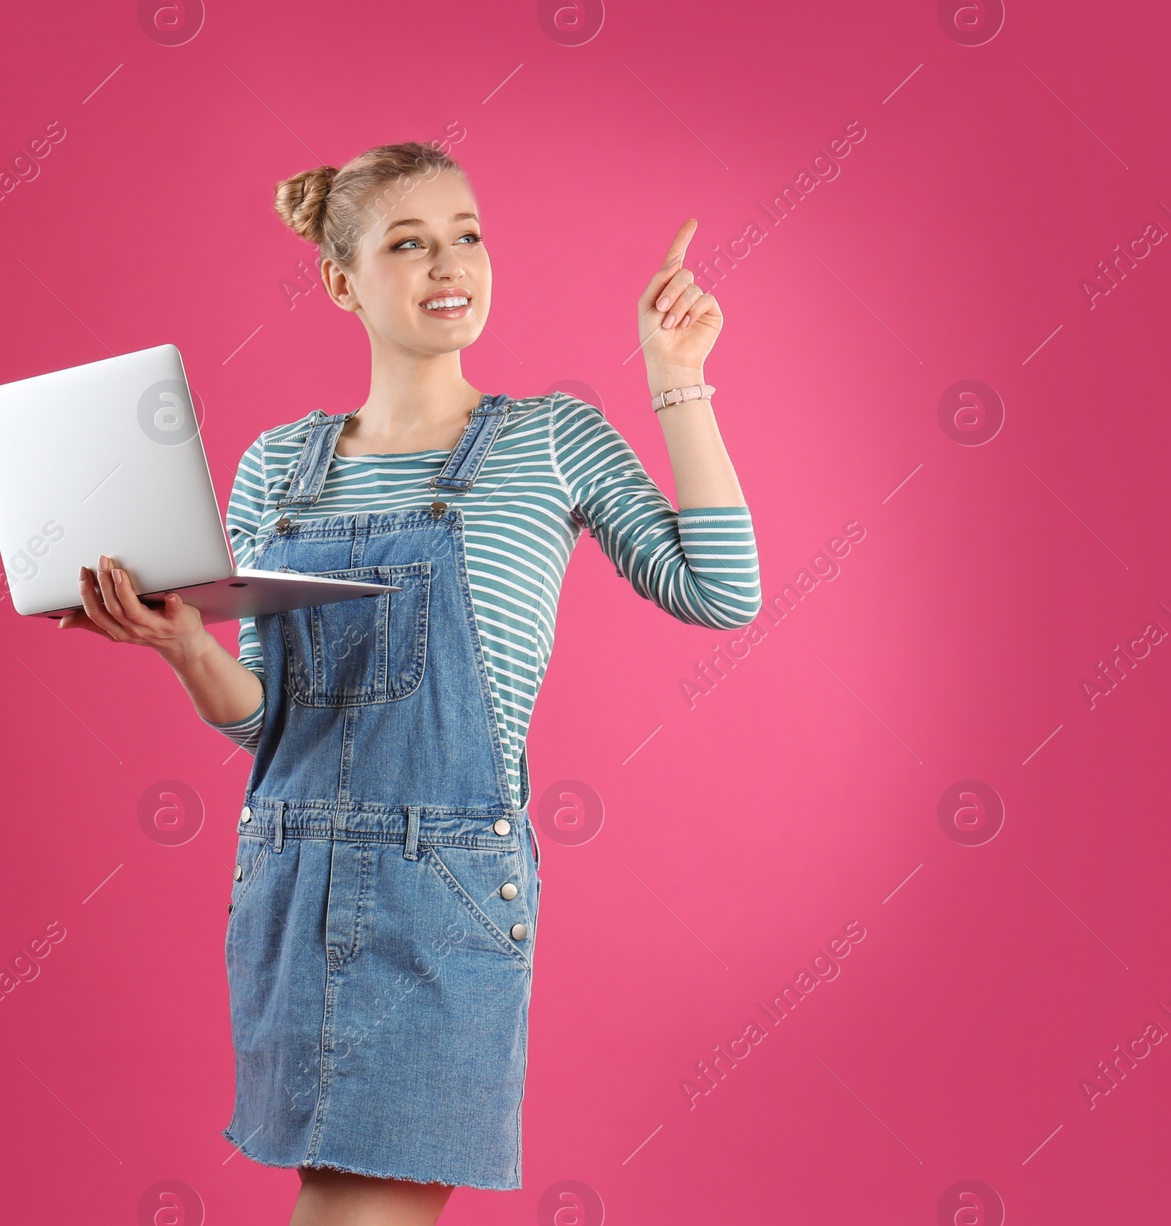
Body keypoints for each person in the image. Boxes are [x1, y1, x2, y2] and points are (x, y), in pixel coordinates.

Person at [59, 141, 761, 1224]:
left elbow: (720, 591)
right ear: (342, 281)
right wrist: (181, 645)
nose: (452, 263)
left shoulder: (550, 438)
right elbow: (272, 725)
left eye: (468, 235)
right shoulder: (275, 464)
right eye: (409, 242)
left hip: (446, 887)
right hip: (292, 877)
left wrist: (677, 379)